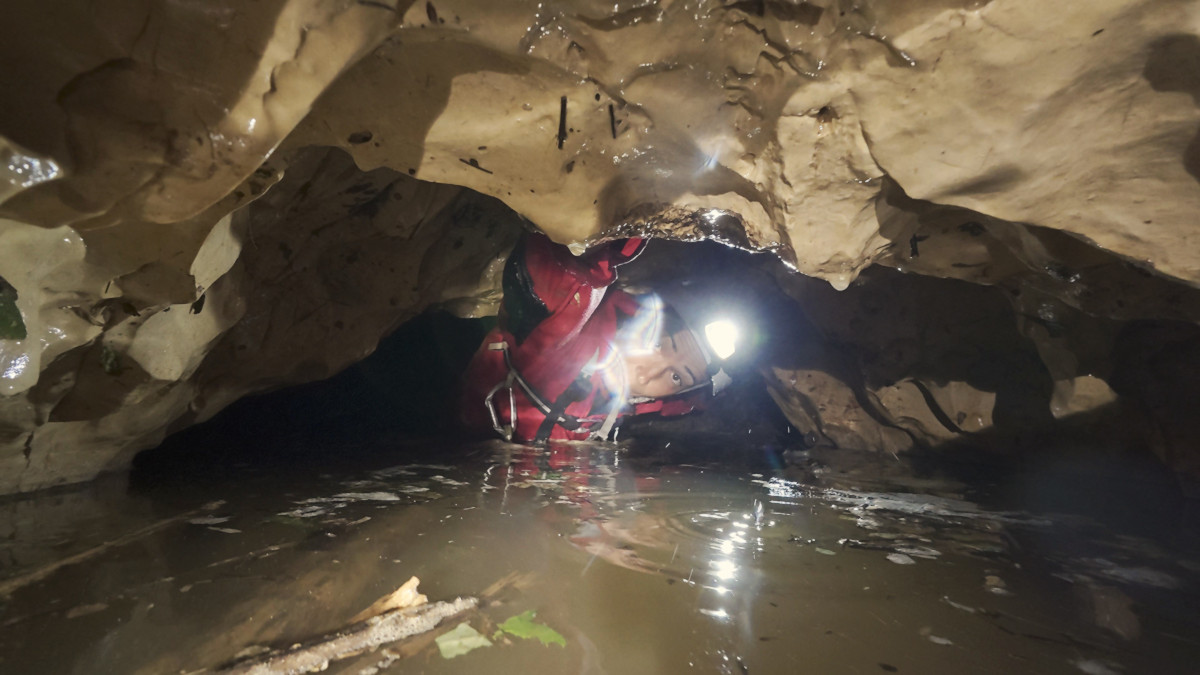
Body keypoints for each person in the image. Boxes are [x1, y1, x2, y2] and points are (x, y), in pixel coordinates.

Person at [459, 231, 736, 442]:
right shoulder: (567, 339)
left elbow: (696, 399)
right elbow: (559, 279)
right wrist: (613, 246)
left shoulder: (655, 400)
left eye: (676, 377)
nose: (647, 375)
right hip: (465, 449)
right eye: (657, 344)